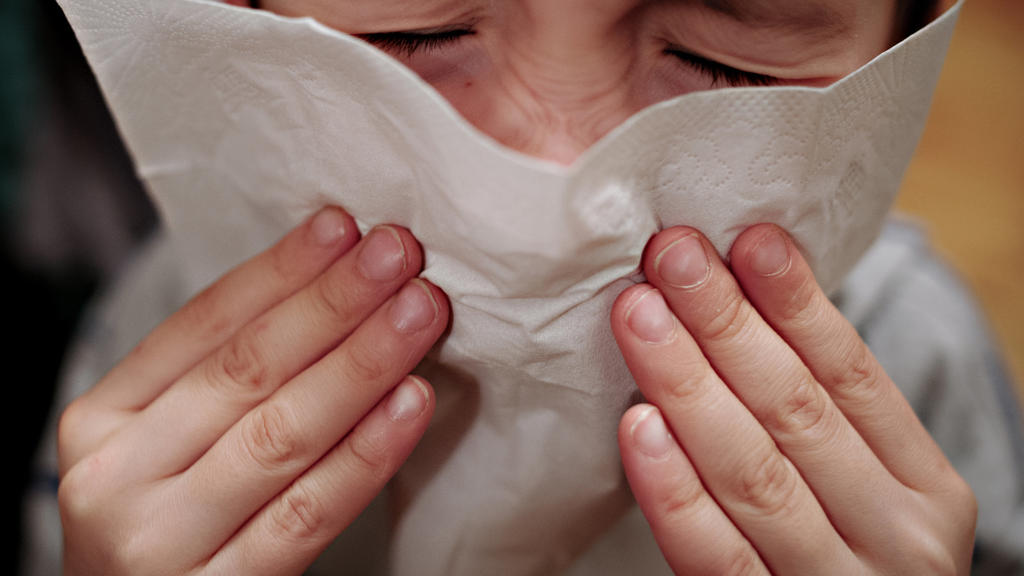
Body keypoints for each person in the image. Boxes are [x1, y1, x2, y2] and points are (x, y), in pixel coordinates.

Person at [24, 0, 1024, 574]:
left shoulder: (915, 362)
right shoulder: (171, 341)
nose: (561, 179)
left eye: (724, 67)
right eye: (412, 34)